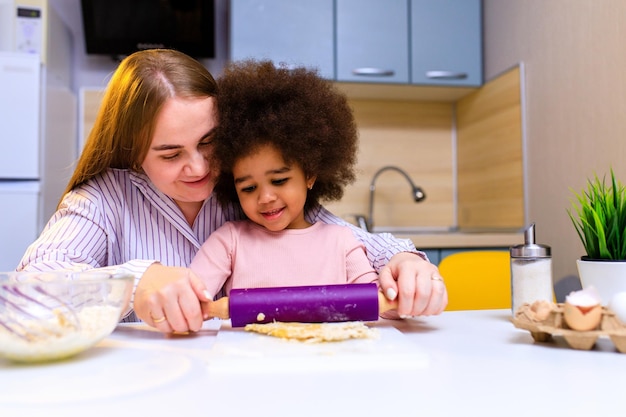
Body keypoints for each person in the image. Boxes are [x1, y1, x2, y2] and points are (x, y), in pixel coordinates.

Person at [17, 49, 447, 334]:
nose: (200, 168)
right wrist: (134, 280)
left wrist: (405, 261)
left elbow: (348, 240)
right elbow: (31, 286)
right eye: (170, 154)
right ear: (133, 155)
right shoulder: (103, 199)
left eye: (209, 143)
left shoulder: (242, 188)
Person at [190, 60, 379, 304]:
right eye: (248, 188)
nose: (265, 197)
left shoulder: (341, 242)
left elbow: (380, 304)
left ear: (310, 174)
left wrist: (410, 291)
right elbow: (191, 298)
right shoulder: (229, 242)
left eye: (279, 180)